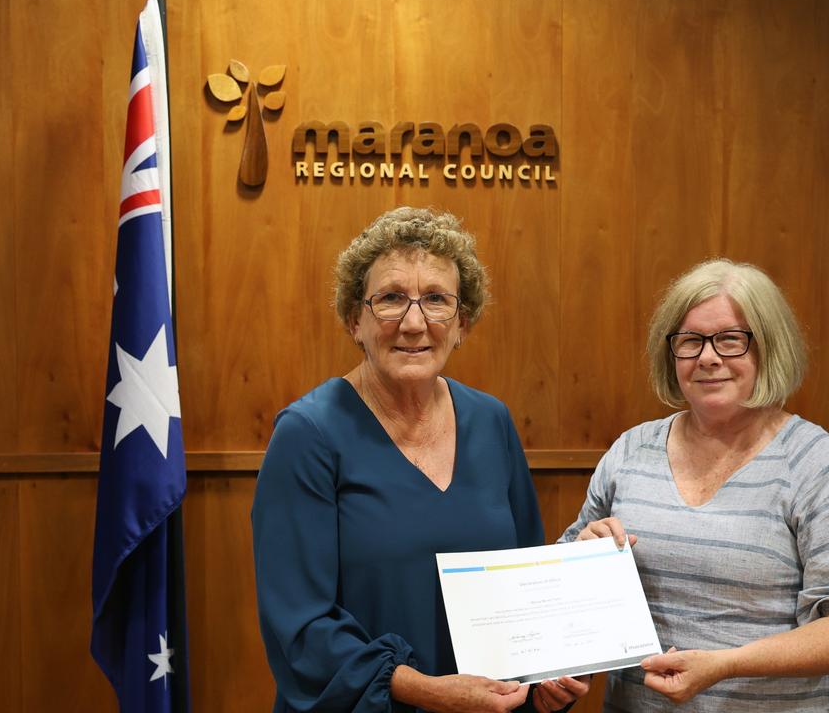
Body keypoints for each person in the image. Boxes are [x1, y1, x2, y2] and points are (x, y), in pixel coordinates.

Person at [252, 207, 589, 713]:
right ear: (354, 320)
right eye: (390, 299)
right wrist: (422, 690)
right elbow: (299, 626)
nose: (414, 323)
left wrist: (542, 682)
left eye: (436, 300)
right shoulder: (309, 434)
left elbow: (522, 592)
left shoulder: (492, 421)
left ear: (462, 324)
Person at [560, 259, 829, 711]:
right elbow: (569, 594)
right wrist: (581, 557)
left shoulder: (819, 465)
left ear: (769, 348)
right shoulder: (630, 452)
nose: (708, 357)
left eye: (731, 339)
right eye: (691, 341)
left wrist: (725, 664)